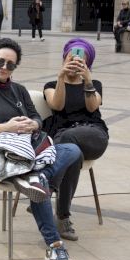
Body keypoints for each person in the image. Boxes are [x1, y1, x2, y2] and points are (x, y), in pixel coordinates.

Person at [0, 39, 81, 260]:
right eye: (0, 62)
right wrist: (6, 127)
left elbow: (37, 117)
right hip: (4, 155)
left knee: (73, 150)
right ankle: (54, 244)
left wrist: (33, 124)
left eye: (10, 64)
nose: (4, 67)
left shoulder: (19, 90)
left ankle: (38, 179)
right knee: (40, 179)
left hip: (30, 150)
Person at [42, 39, 107, 242]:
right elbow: (57, 105)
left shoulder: (95, 84)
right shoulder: (51, 85)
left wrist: (87, 81)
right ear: (64, 59)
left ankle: (47, 188)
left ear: (88, 63)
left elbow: (92, 107)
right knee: (72, 152)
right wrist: (61, 77)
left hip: (93, 135)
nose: (75, 62)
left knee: (69, 144)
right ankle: (63, 217)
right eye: (70, 58)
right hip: (63, 136)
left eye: (80, 59)